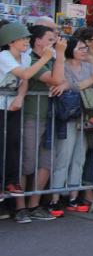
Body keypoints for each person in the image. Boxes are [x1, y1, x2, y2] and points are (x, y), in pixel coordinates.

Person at [48, 37, 93, 217]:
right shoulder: (63, 66)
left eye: (85, 48)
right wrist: (89, 80)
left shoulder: (89, 66)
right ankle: (54, 198)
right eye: (80, 48)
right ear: (70, 50)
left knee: (79, 158)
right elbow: (66, 87)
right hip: (68, 117)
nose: (84, 51)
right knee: (63, 158)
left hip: (86, 118)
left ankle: (73, 197)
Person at [17, 27, 67, 223]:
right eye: (50, 39)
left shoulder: (52, 59)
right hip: (32, 115)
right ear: (38, 41)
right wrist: (60, 54)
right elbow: (54, 79)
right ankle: (19, 206)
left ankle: (34, 205)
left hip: (50, 116)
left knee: (46, 162)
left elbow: (63, 81)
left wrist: (63, 84)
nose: (55, 42)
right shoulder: (30, 59)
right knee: (26, 162)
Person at [0, 23, 53, 199]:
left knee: (13, 143)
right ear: (10, 41)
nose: (26, 41)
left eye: (27, 38)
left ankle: (10, 182)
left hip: (12, 105)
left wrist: (20, 97)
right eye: (22, 38)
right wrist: (45, 58)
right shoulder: (4, 56)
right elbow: (24, 74)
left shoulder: (25, 57)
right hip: (1, 104)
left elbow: (24, 81)